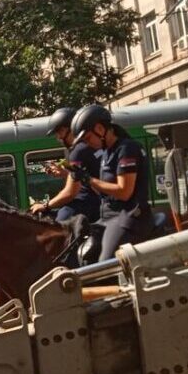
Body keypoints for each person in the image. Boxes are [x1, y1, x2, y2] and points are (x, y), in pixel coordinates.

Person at [69, 104, 153, 261]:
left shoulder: (127, 149)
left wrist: (89, 179)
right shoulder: (107, 152)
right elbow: (104, 193)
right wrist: (83, 180)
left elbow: (124, 192)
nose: (87, 144)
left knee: (104, 264)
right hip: (107, 217)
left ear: (100, 129)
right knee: (80, 254)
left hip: (128, 217)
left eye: (87, 138)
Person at [30, 107, 102, 222]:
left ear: (71, 129)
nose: (58, 137)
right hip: (96, 199)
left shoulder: (77, 151)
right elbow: (83, 175)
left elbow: (70, 192)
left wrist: (45, 205)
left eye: (60, 132)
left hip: (87, 202)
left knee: (59, 227)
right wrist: (64, 173)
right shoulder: (87, 145)